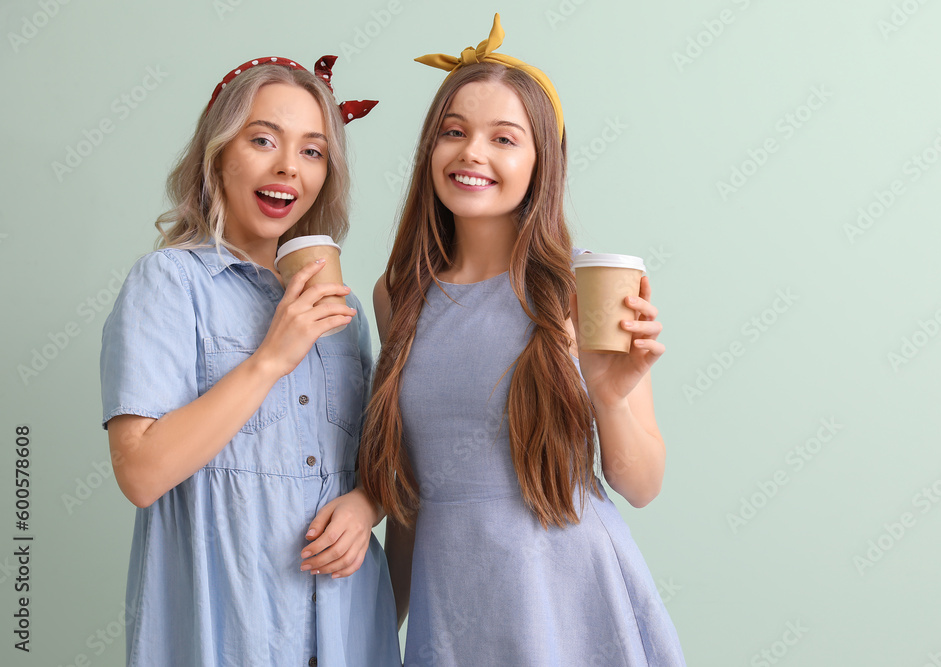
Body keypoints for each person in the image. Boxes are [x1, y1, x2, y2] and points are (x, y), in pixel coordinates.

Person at [359, 15, 687, 667]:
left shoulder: (586, 285)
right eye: (453, 132)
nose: (471, 153)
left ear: (541, 161)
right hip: (451, 607)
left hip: (572, 598)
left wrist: (609, 395)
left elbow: (641, 483)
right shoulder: (397, 293)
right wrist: (364, 635)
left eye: (503, 138)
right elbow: (412, 498)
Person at [100, 55, 400, 666]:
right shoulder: (168, 284)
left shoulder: (342, 312)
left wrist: (369, 501)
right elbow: (141, 472)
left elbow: (379, 458)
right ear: (217, 155)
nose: (289, 166)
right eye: (263, 139)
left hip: (346, 633)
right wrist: (270, 359)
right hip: (226, 631)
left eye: (313, 151)